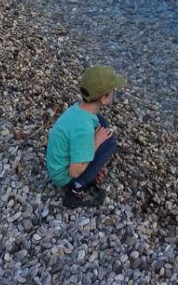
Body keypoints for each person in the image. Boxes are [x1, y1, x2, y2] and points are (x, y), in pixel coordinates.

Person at [46, 64, 125, 209]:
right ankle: (76, 190)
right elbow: (74, 171)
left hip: (58, 162)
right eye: (112, 90)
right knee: (110, 142)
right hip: (63, 176)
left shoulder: (79, 109)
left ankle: (90, 171)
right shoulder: (84, 128)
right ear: (102, 98)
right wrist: (96, 142)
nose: (114, 92)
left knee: (101, 122)